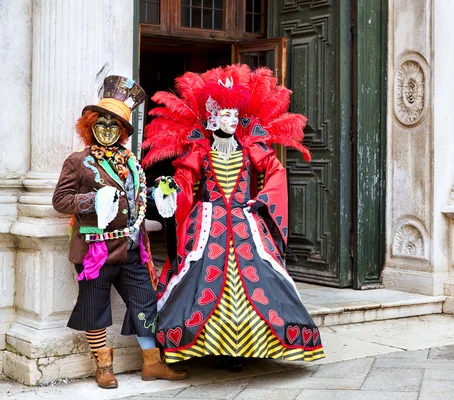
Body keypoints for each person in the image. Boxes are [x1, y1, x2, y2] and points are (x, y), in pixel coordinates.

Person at [142, 64, 325, 370]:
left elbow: (276, 172)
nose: (230, 120)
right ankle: (212, 347)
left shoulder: (250, 148)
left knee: (258, 279)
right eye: (224, 114)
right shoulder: (200, 150)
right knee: (200, 280)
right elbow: (186, 181)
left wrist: (262, 200)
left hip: (245, 222)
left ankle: (246, 349)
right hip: (208, 225)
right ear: (213, 117)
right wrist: (170, 192)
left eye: (234, 115)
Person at [52, 75, 188, 389]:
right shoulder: (78, 161)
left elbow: (134, 197)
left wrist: (158, 193)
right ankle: (103, 366)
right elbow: (60, 200)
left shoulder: (131, 162)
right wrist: (91, 199)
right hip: (94, 251)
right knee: (95, 308)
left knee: (145, 302)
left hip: (131, 247)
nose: (108, 130)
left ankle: (152, 363)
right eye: (102, 123)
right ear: (90, 126)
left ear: (123, 133)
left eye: (115, 126)